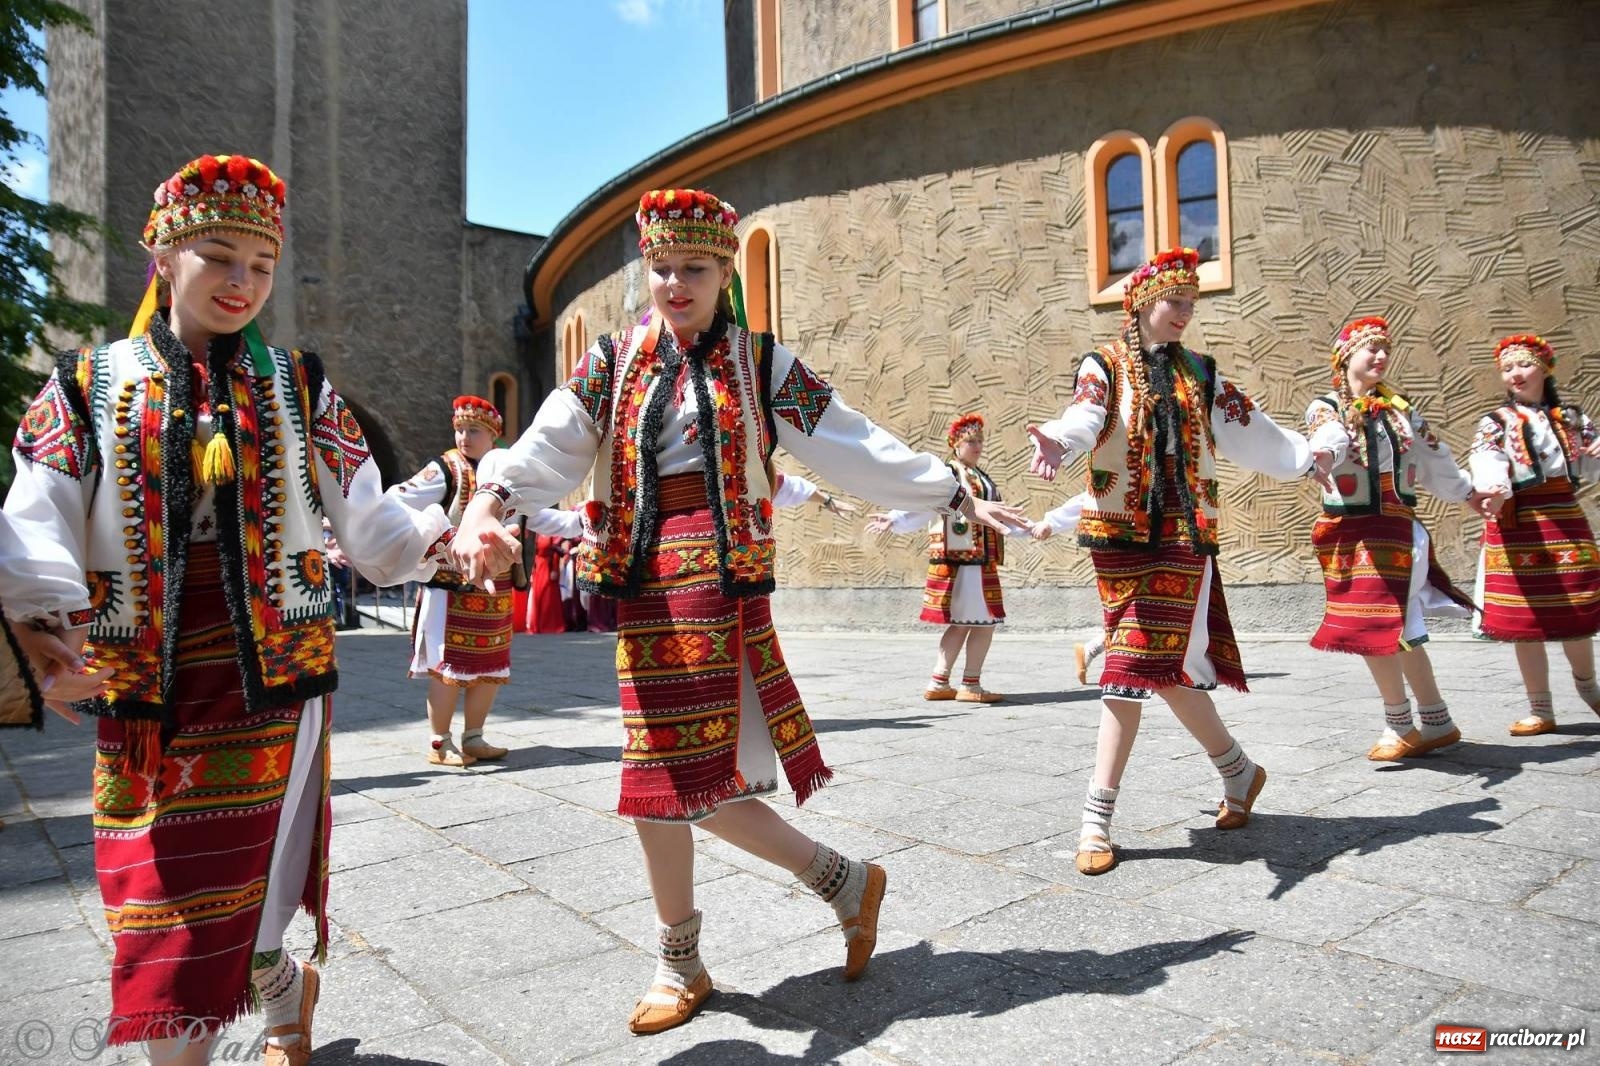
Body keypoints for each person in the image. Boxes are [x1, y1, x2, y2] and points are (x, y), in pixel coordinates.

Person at [448, 188, 1025, 1034]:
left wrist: (948, 489)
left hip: (716, 583)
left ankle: (685, 957)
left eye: (695, 268)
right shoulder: (611, 361)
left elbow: (849, 439)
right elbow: (552, 441)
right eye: (662, 268)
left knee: (666, 779)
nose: (675, 283)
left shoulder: (760, 365)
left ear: (726, 273)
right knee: (674, 781)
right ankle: (836, 885)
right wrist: (488, 500)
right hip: (644, 586)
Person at [3, 153, 452, 1065]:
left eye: (261, 262)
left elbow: (367, 528)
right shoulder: (87, 385)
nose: (242, 280)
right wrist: (46, 625)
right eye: (218, 254)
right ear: (164, 256)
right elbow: (36, 508)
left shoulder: (301, 385)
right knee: (154, 902)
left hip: (272, 680)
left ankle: (262, 987)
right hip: (139, 686)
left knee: (218, 894)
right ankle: (281, 984)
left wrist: (451, 524)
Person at [1027, 247, 1334, 876]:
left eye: (1192, 303)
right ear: (1142, 301)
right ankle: (1239, 772)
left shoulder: (1202, 372)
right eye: (1175, 301)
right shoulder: (1104, 365)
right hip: (1116, 538)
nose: (1185, 313)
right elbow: (1088, 415)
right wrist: (1060, 439)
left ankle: (1095, 817)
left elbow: (1256, 432)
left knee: (1129, 664)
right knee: (1160, 670)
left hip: (1183, 538)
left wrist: (1307, 456)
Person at [1305, 316, 1492, 760]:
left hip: (1397, 531)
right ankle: (1434, 720)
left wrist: (1468, 494)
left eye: (1386, 349)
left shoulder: (1402, 411)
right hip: (1349, 533)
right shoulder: (1326, 406)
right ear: (1345, 356)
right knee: (1386, 625)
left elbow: (1435, 458)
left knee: (1387, 626)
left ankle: (1403, 725)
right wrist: (1327, 454)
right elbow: (1327, 434)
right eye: (1371, 348)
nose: (1381, 356)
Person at [1467, 334, 1600, 735]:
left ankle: (1590, 690)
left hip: (1564, 517)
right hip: (1518, 522)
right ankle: (1540, 708)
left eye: (1522, 365)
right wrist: (1493, 489)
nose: (1514, 374)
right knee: (1525, 618)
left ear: (1544, 368)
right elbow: (1486, 457)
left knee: (1573, 611)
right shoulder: (1497, 422)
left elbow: (1590, 468)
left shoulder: (1573, 419)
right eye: (1507, 369)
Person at [388, 396, 523, 766]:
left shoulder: (505, 472)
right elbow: (399, 499)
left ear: (493, 435)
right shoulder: (446, 469)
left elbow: (536, 515)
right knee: (446, 667)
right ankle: (439, 742)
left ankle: (474, 737)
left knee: (489, 664)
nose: (464, 436)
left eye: (473, 430)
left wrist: (581, 524)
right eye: (460, 429)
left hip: (495, 585)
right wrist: (429, 538)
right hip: (449, 587)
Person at [867, 414, 1012, 703]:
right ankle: (969, 684)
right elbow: (926, 500)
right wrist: (895, 518)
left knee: (966, 621)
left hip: (977, 559)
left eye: (981, 440)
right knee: (982, 621)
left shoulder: (978, 476)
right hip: (964, 561)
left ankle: (940, 681)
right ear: (956, 444)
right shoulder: (951, 474)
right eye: (971, 441)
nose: (978, 446)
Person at [1025, 492, 1105, 684]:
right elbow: (1095, 493)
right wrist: (1051, 522)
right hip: (1127, 547)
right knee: (1139, 612)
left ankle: (1092, 649)